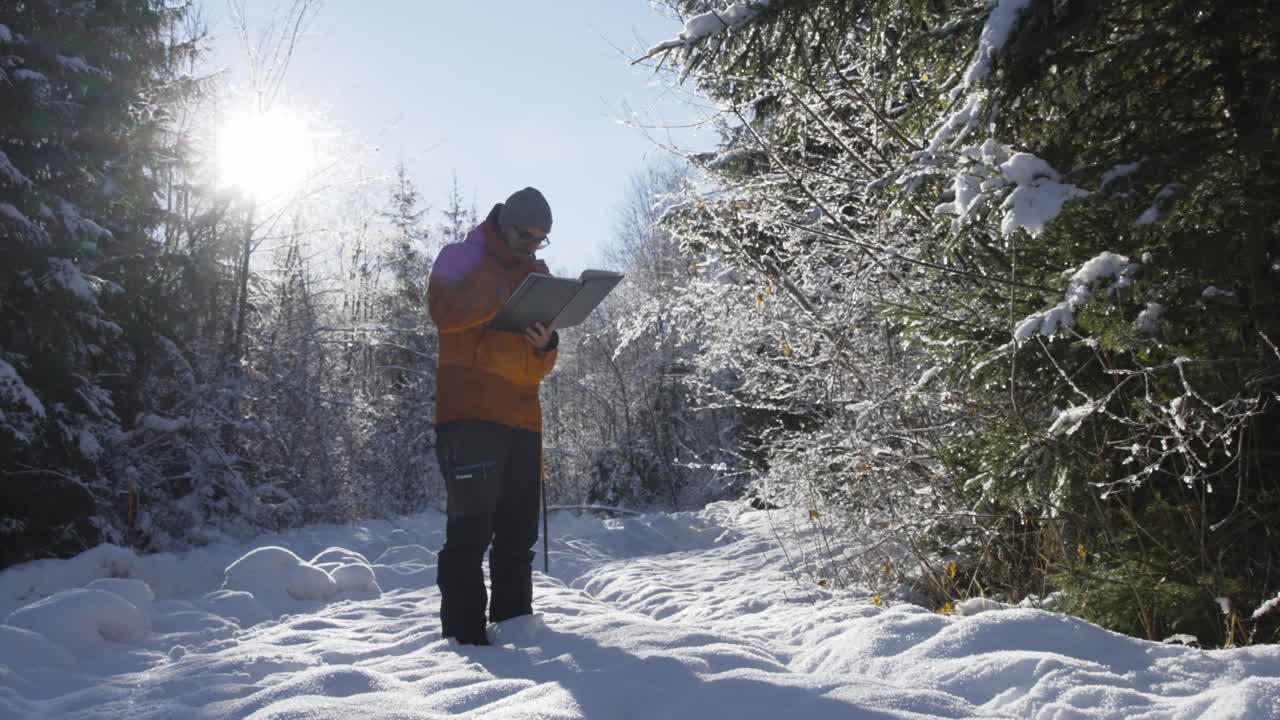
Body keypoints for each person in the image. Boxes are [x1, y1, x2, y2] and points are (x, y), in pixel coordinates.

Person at [427, 186, 558, 646]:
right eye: (526, 236)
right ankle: (465, 644)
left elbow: (538, 368)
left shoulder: (538, 275)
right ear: (504, 225)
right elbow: (443, 311)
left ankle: (516, 634)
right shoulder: (460, 257)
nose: (532, 246)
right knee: (470, 535)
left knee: (518, 539)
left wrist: (546, 345)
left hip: (523, 423)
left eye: (541, 239)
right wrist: (504, 292)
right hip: (470, 418)